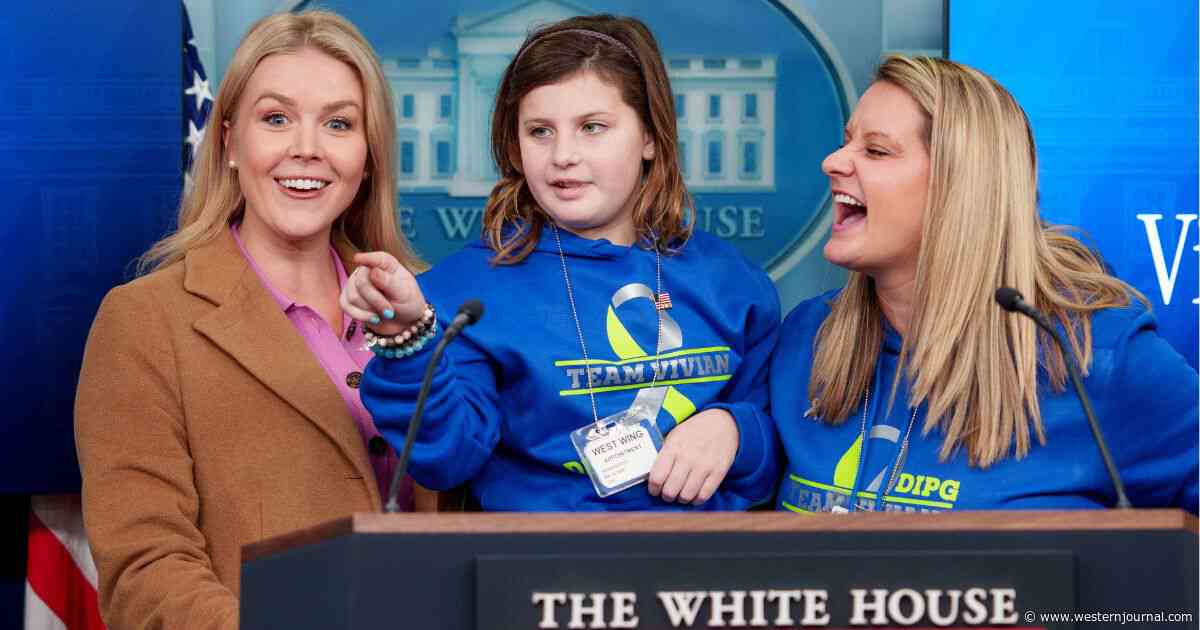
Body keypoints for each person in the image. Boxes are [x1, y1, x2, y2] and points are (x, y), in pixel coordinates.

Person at [339, 15, 780, 511]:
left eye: (592, 128)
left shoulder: (732, 282)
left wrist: (735, 430)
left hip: (703, 572)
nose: (563, 155)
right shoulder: (463, 293)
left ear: (651, 137)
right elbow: (447, 460)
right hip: (541, 572)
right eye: (540, 131)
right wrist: (407, 342)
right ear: (514, 146)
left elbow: (779, 455)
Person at [74, 10, 427, 629]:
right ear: (230, 142)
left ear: (369, 156)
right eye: (276, 118)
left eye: (339, 123)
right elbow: (145, 570)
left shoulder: (426, 312)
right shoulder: (143, 323)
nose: (306, 148)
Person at [772, 55, 1198, 514]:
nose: (832, 161)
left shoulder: (1099, 359)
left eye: (876, 151)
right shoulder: (806, 338)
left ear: (960, 188)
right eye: (846, 142)